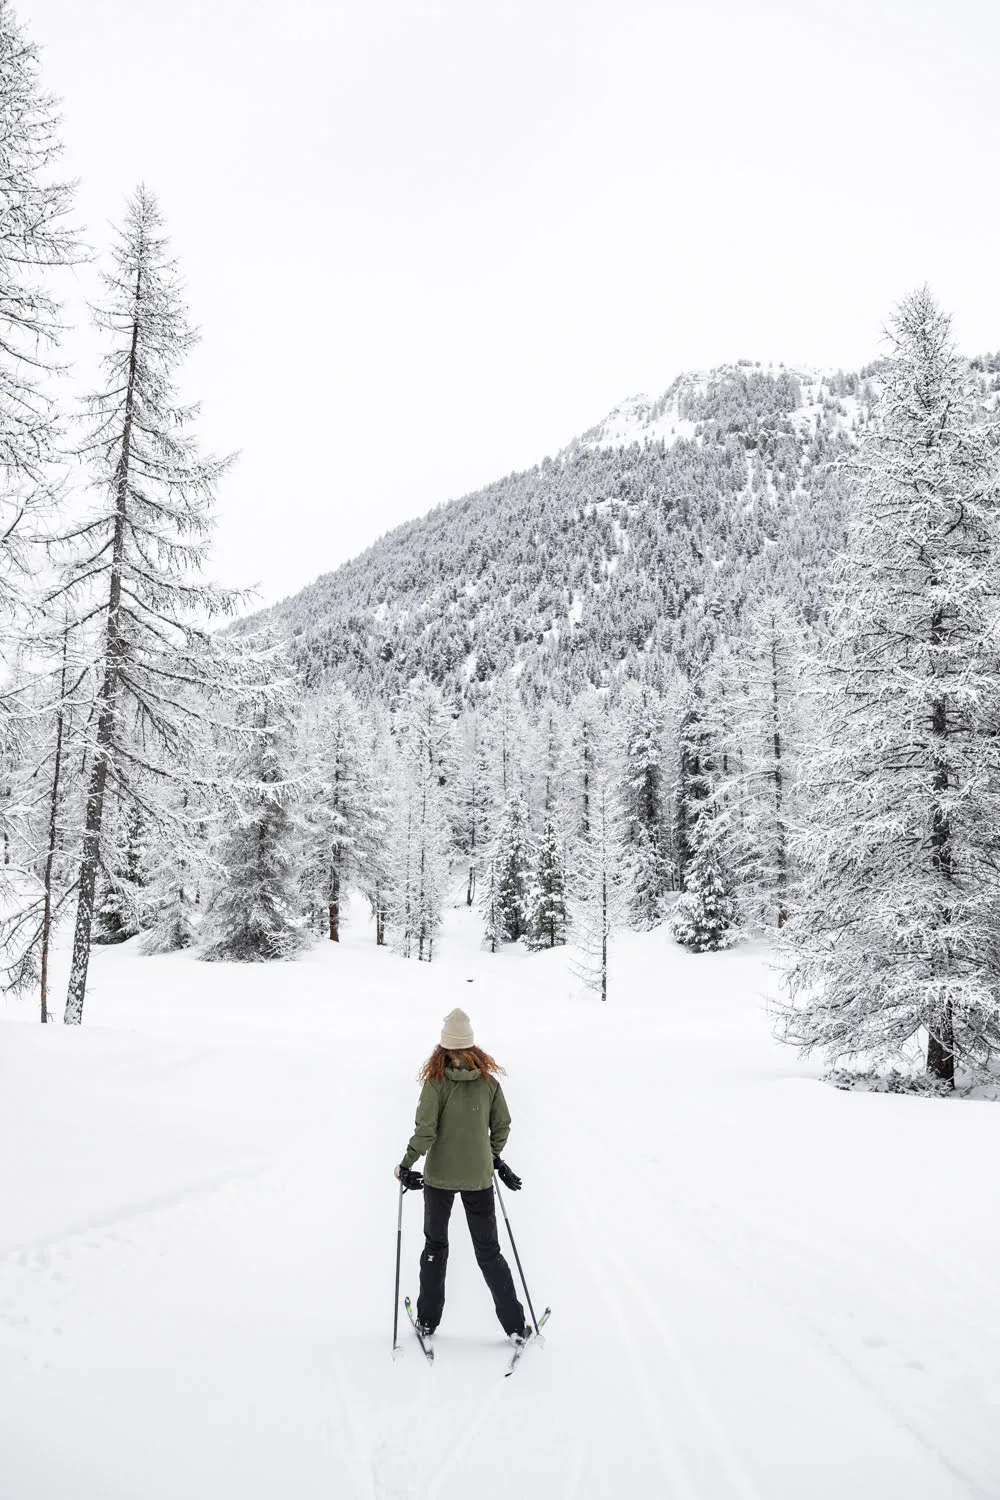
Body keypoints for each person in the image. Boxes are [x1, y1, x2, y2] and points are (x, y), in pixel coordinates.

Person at [395, 1007, 527, 1344]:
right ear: (472, 1047)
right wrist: (492, 1157)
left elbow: (425, 1132)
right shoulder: (488, 1083)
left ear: (443, 1048)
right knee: (489, 1252)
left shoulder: (435, 1083)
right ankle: (514, 1326)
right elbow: (502, 1125)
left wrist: (405, 1165)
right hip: (478, 1177)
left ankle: (427, 1321)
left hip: (439, 1177)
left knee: (435, 1246)